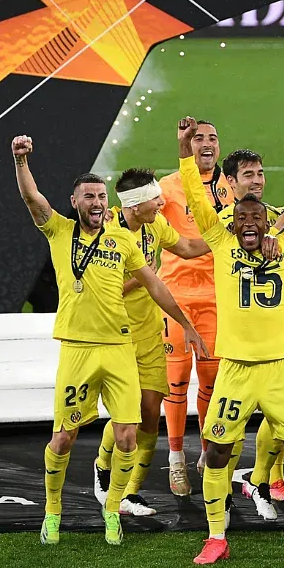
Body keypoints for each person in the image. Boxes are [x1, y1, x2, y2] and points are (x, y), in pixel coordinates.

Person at [11, 135, 204, 547]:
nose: (97, 202)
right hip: (78, 348)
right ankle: (52, 510)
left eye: (101, 195)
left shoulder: (124, 242)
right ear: (75, 201)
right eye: (89, 196)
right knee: (63, 436)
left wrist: (185, 324)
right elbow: (32, 199)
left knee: (129, 433)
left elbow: (156, 284)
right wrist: (21, 160)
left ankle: (113, 509)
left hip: (120, 347)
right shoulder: (60, 231)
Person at [181, 116, 284, 565]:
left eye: (256, 218)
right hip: (235, 368)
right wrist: (187, 152)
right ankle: (216, 536)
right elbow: (197, 199)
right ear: (233, 223)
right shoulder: (222, 244)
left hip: (280, 367)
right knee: (217, 451)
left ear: (268, 223)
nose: (248, 224)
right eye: (241, 218)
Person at [92, 169, 210, 518]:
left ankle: (130, 492)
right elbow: (106, 289)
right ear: (135, 204)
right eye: (155, 199)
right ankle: (102, 467)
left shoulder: (154, 225)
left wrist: (223, 236)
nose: (162, 202)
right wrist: (145, 274)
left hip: (148, 332)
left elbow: (187, 247)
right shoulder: (107, 233)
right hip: (114, 333)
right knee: (126, 414)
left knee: (149, 413)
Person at [157, 119, 233, 495]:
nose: (207, 143)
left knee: (211, 380)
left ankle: (205, 452)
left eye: (212, 138)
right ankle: (174, 459)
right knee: (175, 381)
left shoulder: (229, 186)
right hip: (174, 299)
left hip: (217, 298)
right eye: (198, 138)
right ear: (187, 144)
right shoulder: (168, 187)